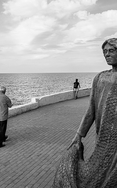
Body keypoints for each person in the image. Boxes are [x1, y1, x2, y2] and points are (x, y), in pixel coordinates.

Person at [53, 38, 117, 187]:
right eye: (105, 52)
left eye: (111, 51)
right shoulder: (100, 78)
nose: (107, 54)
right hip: (103, 138)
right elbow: (90, 111)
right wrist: (78, 135)